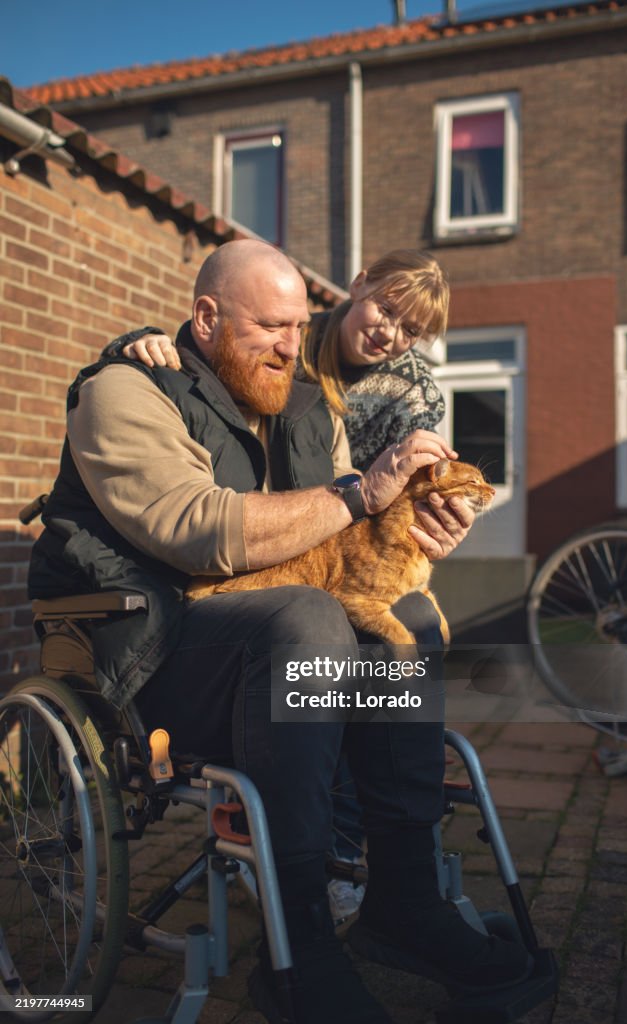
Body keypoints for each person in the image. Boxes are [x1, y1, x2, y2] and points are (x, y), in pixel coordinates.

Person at [29, 240, 531, 1024]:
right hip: (150, 652)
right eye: (269, 326)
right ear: (205, 317)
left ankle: (403, 902)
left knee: (396, 624)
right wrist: (363, 490)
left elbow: (341, 540)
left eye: (299, 327)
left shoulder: (309, 408)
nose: (292, 346)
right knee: (307, 617)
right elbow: (199, 532)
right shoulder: (125, 393)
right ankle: (299, 947)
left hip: (287, 657)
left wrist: (416, 522)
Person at [109, 250, 449, 920]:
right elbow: (203, 512)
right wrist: (132, 344)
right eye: (384, 308)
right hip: (262, 575)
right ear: (357, 288)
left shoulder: (410, 395)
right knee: (310, 623)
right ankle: (311, 880)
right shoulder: (288, 347)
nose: (389, 331)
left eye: (410, 328)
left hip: (332, 545)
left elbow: (395, 498)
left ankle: (403, 887)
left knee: (407, 626)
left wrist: (430, 513)